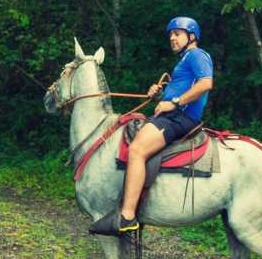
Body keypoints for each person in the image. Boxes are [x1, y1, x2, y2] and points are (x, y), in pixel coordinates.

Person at [89, 16, 213, 236]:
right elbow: (180, 89)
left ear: (191, 36)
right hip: (172, 115)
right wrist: (160, 95)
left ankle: (127, 216)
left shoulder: (196, 55)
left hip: (179, 119)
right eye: (171, 35)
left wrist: (173, 102)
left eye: (177, 34)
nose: (172, 38)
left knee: (137, 150)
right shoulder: (184, 60)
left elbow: (205, 83)